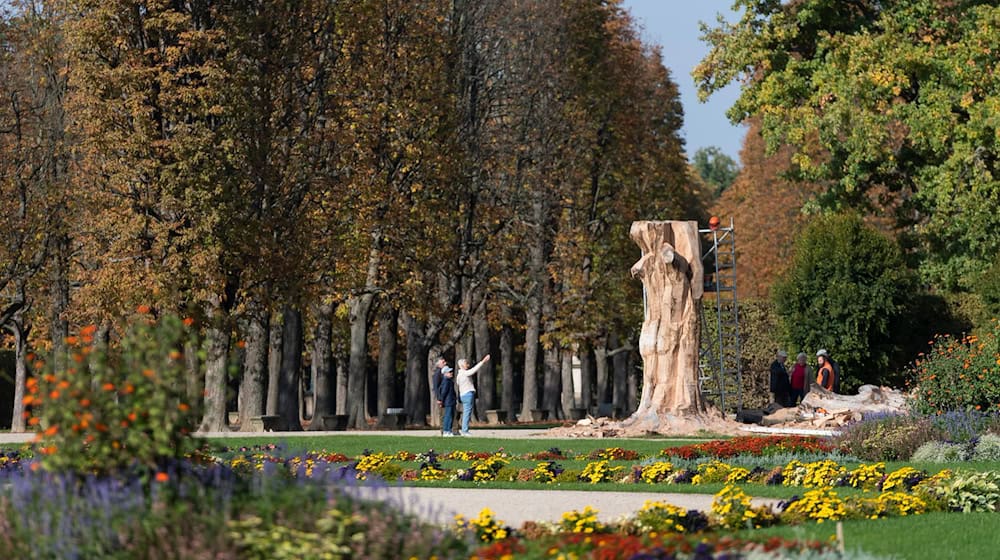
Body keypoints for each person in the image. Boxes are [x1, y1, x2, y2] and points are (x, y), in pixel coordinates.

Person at [456, 354, 490, 435]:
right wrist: (483, 361)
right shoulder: (464, 373)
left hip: (463, 395)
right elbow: (473, 370)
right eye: (466, 363)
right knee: (467, 413)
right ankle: (465, 430)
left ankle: (464, 429)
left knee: (466, 413)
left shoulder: (459, 375)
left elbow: (458, 383)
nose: (467, 365)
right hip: (467, 394)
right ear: (461, 365)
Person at [437, 365, 457, 436]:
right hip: (448, 401)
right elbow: (444, 392)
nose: (451, 373)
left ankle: (449, 430)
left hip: (450, 401)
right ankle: (446, 430)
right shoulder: (446, 381)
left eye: (451, 372)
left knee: (450, 416)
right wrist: (441, 400)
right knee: (448, 416)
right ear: (445, 373)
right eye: (449, 372)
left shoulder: (449, 381)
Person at [431, 356, 447, 433]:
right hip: (441, 397)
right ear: (438, 364)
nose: (445, 363)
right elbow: (436, 387)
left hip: (444, 397)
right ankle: (443, 429)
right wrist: (439, 398)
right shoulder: (438, 373)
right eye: (443, 362)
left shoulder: (443, 372)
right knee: (442, 414)